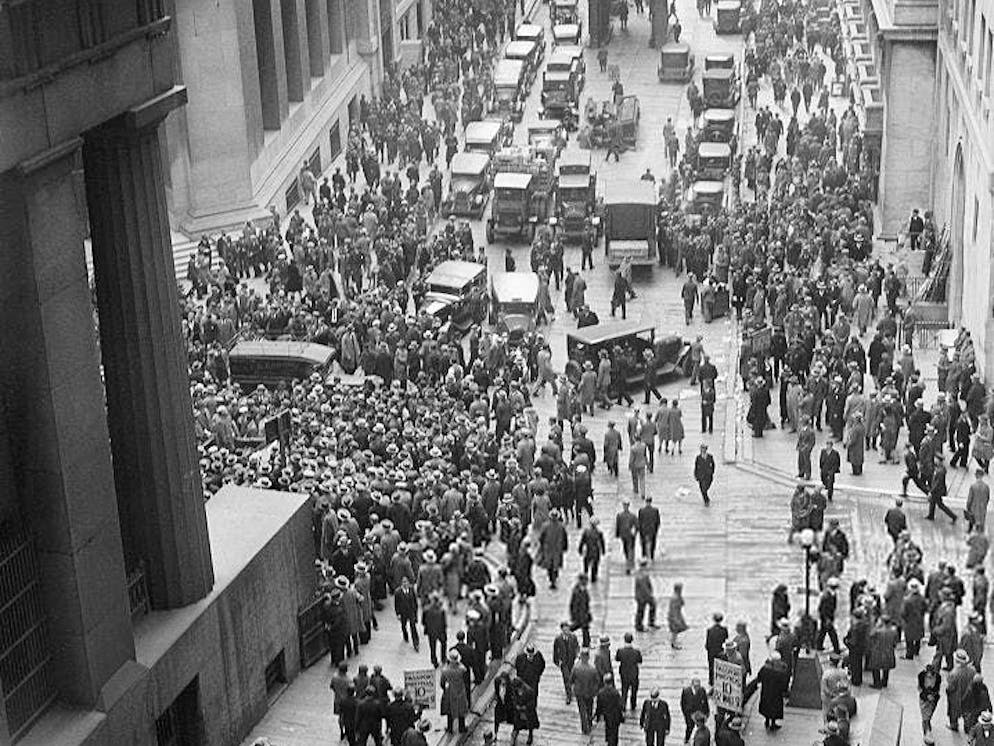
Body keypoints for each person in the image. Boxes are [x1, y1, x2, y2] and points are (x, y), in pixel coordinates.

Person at [753, 651, 790, 730]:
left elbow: (759, 677)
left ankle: (767, 721)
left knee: (766, 706)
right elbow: (784, 683)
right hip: (776, 693)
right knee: (774, 708)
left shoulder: (765, 668)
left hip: (766, 692)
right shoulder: (780, 671)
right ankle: (773, 724)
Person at [570, 648, 600, 734]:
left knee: (582, 711)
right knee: (589, 708)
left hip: (579, 692)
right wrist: (595, 691)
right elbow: (597, 681)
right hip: (590, 692)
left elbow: (571, 679)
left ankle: (584, 728)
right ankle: (589, 723)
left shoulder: (576, 667)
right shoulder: (593, 669)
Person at [440, 650, 469, 733]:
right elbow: (466, 680)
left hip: (450, 691)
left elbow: (442, 683)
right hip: (460, 690)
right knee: (461, 709)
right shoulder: (462, 669)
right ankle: (462, 727)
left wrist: (444, 689)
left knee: (450, 710)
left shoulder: (445, 670)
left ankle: (450, 728)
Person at [553, 621, 580, 704]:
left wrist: (577, 656)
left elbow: (577, 647)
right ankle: (568, 696)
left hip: (572, 660)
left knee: (573, 677)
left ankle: (572, 690)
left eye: (567, 629)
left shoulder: (573, 637)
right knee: (566, 678)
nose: (566, 631)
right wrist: (557, 661)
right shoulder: (558, 639)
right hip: (564, 662)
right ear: (562, 630)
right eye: (564, 630)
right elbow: (555, 651)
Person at [595, 674, 626, 746]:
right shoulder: (615, 693)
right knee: (615, 733)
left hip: (607, 716)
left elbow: (599, 706)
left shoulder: (601, 693)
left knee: (609, 731)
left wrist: (597, 716)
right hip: (615, 716)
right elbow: (620, 705)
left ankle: (609, 742)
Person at [616, 632, 643, 711]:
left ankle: (623, 705)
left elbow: (617, 659)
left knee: (624, 690)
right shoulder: (636, 652)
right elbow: (640, 661)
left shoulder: (620, 651)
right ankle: (633, 705)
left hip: (624, 674)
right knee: (634, 691)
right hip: (634, 674)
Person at [918, 661, 942, 744]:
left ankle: (927, 731)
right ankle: (927, 734)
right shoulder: (921, 675)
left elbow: (937, 689)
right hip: (924, 698)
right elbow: (920, 687)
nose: (929, 676)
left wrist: (933, 696)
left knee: (929, 714)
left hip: (933, 699)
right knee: (925, 717)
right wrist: (926, 695)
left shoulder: (938, 677)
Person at [394, 575, 420, 651]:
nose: (405, 584)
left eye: (406, 582)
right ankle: (405, 635)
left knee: (413, 627)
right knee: (403, 625)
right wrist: (398, 614)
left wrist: (415, 613)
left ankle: (416, 643)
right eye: (403, 582)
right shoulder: (398, 592)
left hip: (411, 612)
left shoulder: (412, 589)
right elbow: (396, 604)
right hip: (403, 613)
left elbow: (415, 602)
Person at [705, 611, 729, 686]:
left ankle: (711, 681)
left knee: (711, 666)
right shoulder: (724, 630)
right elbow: (725, 638)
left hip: (711, 651)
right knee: (720, 666)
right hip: (720, 650)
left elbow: (707, 642)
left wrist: (708, 648)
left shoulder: (709, 630)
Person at [616, 499, 639, 573]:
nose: (625, 507)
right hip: (624, 536)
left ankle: (629, 564)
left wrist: (634, 533)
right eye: (624, 505)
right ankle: (628, 560)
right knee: (625, 548)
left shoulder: (632, 516)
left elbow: (637, 526)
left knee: (629, 549)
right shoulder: (620, 515)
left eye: (626, 505)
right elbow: (618, 526)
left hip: (629, 536)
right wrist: (617, 534)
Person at [570, 573, 593, 647]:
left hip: (584, 614)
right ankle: (566, 635)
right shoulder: (577, 591)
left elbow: (586, 603)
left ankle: (586, 643)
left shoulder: (584, 590)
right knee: (579, 627)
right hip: (579, 614)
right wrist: (574, 615)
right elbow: (574, 605)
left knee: (585, 629)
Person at [668, 583, 689, 648]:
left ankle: (673, 642)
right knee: (675, 631)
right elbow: (673, 609)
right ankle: (674, 643)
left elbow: (682, 603)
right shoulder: (675, 598)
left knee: (676, 631)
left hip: (677, 615)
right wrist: (676, 619)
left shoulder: (677, 596)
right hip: (674, 616)